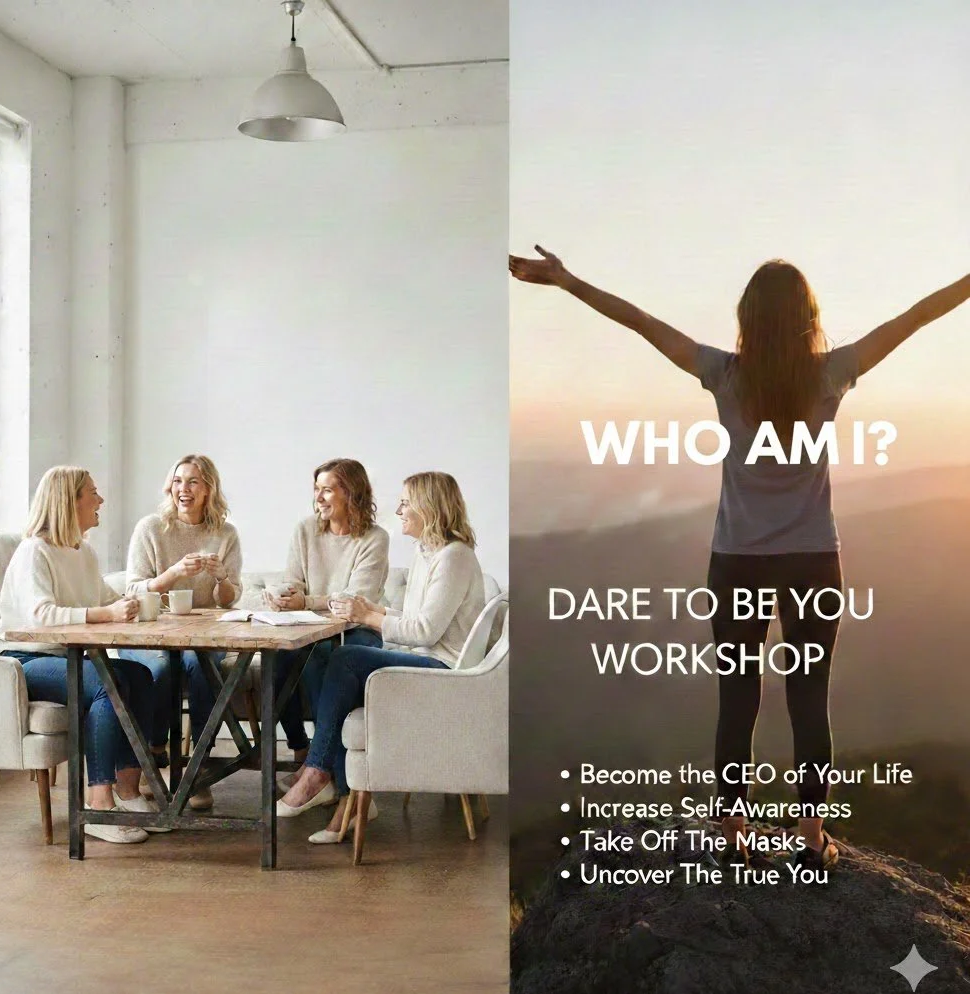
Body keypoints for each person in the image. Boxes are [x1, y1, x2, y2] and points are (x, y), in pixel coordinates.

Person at [510, 245, 970, 874]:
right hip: (813, 560)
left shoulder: (726, 374)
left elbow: (642, 323)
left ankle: (731, 823)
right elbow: (916, 316)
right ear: (809, 318)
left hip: (738, 562)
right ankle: (811, 830)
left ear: (747, 319)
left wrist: (566, 281)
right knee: (810, 698)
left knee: (738, 695)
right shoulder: (831, 373)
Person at [278, 471, 485, 845]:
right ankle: (351, 799)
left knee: (346, 659)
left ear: (429, 506)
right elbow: (412, 621)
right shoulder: (429, 553)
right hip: (425, 659)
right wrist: (371, 608)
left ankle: (318, 770)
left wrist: (365, 616)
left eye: (406, 501)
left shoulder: (454, 557)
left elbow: (424, 632)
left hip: (446, 672)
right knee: (336, 663)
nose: (399, 509)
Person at [0, 466, 158, 844]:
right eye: (93, 493)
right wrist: (104, 614)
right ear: (71, 501)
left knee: (141, 677)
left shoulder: (83, 552)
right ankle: (98, 802)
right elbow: (41, 616)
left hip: (67, 658)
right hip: (23, 660)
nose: (100, 500)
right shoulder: (35, 550)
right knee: (107, 683)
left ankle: (129, 790)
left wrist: (133, 603)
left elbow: (103, 599)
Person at [120, 454, 243, 811]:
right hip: (151, 631)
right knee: (158, 669)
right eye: (177, 481)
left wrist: (221, 576)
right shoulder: (151, 528)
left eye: (193, 482)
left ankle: (198, 764)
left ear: (209, 490)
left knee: (201, 666)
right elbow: (133, 589)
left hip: (202, 634)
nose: (183, 490)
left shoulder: (225, 533)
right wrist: (173, 573)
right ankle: (154, 755)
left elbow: (229, 600)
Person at [267, 458, 389, 769]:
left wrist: (306, 601)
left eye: (327, 490)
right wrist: (284, 595)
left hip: (359, 630)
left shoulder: (374, 538)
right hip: (307, 627)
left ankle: (330, 768)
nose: (318, 498)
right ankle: (301, 750)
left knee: (320, 657)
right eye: (316, 490)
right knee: (276, 660)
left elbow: (355, 601)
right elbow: (293, 579)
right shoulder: (305, 530)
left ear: (351, 493)